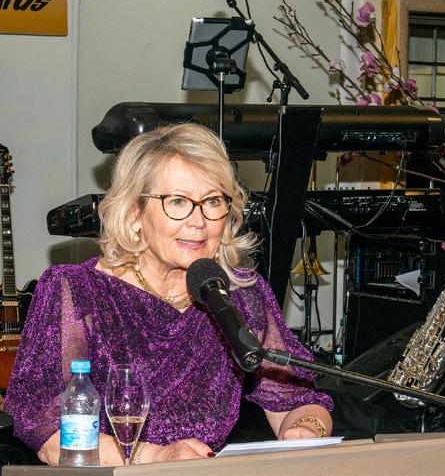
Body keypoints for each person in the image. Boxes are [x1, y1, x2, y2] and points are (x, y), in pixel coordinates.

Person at [5, 123, 333, 465]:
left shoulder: (240, 296)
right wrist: (157, 457)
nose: (198, 221)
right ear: (134, 213)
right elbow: (48, 433)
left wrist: (306, 429)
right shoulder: (77, 291)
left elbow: (297, 400)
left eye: (212, 201)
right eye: (177, 201)